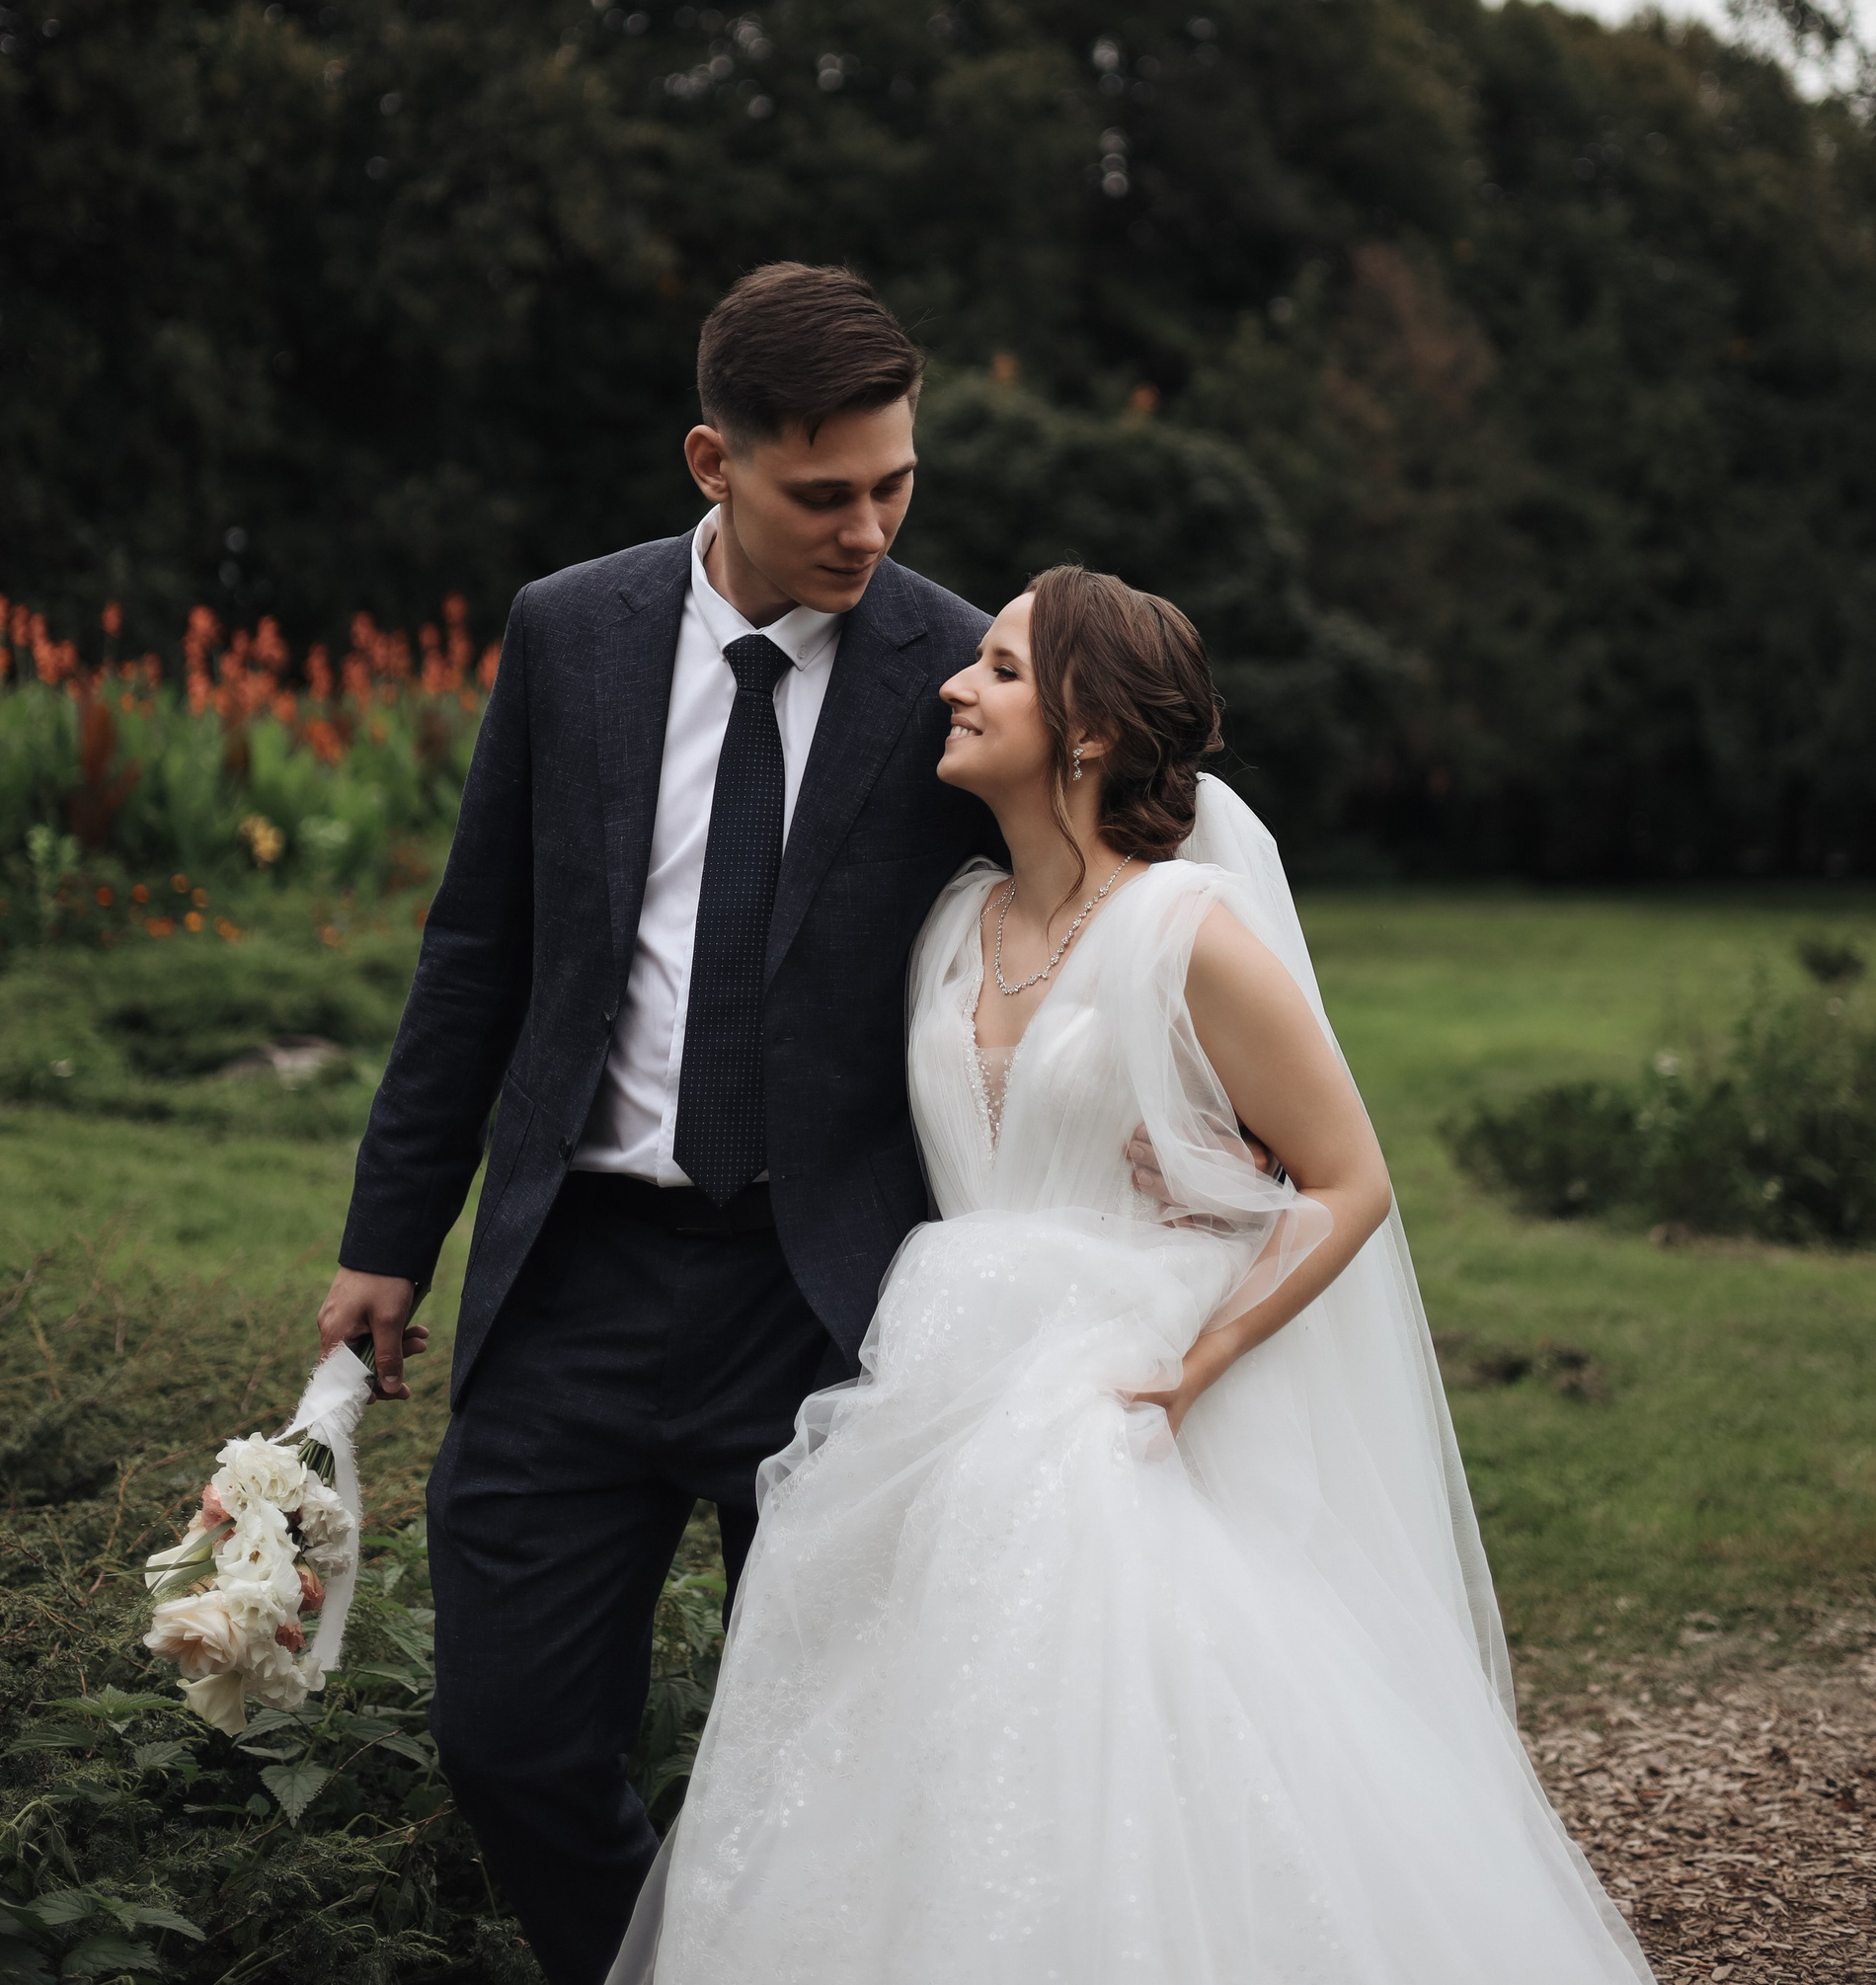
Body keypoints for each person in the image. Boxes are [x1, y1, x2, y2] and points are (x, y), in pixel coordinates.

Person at [610, 566, 1656, 1985]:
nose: (954, 684)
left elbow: (1349, 1180)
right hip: (940, 1379)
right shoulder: (956, 924)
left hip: (1116, 1381)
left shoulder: (1186, 929)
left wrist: (1192, 1363)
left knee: (1106, 1726)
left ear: (1089, 730)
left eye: (998, 668)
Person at [315, 264, 1001, 1985]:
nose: (868, 530)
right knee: (512, 1743)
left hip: (830, 1291)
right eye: (823, 493)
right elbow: (477, 951)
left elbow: (1073, 914)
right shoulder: (572, 631)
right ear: (714, 460)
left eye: (895, 486)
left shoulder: (957, 664)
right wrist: (388, 1237)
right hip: (576, 1276)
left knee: (832, 1775)